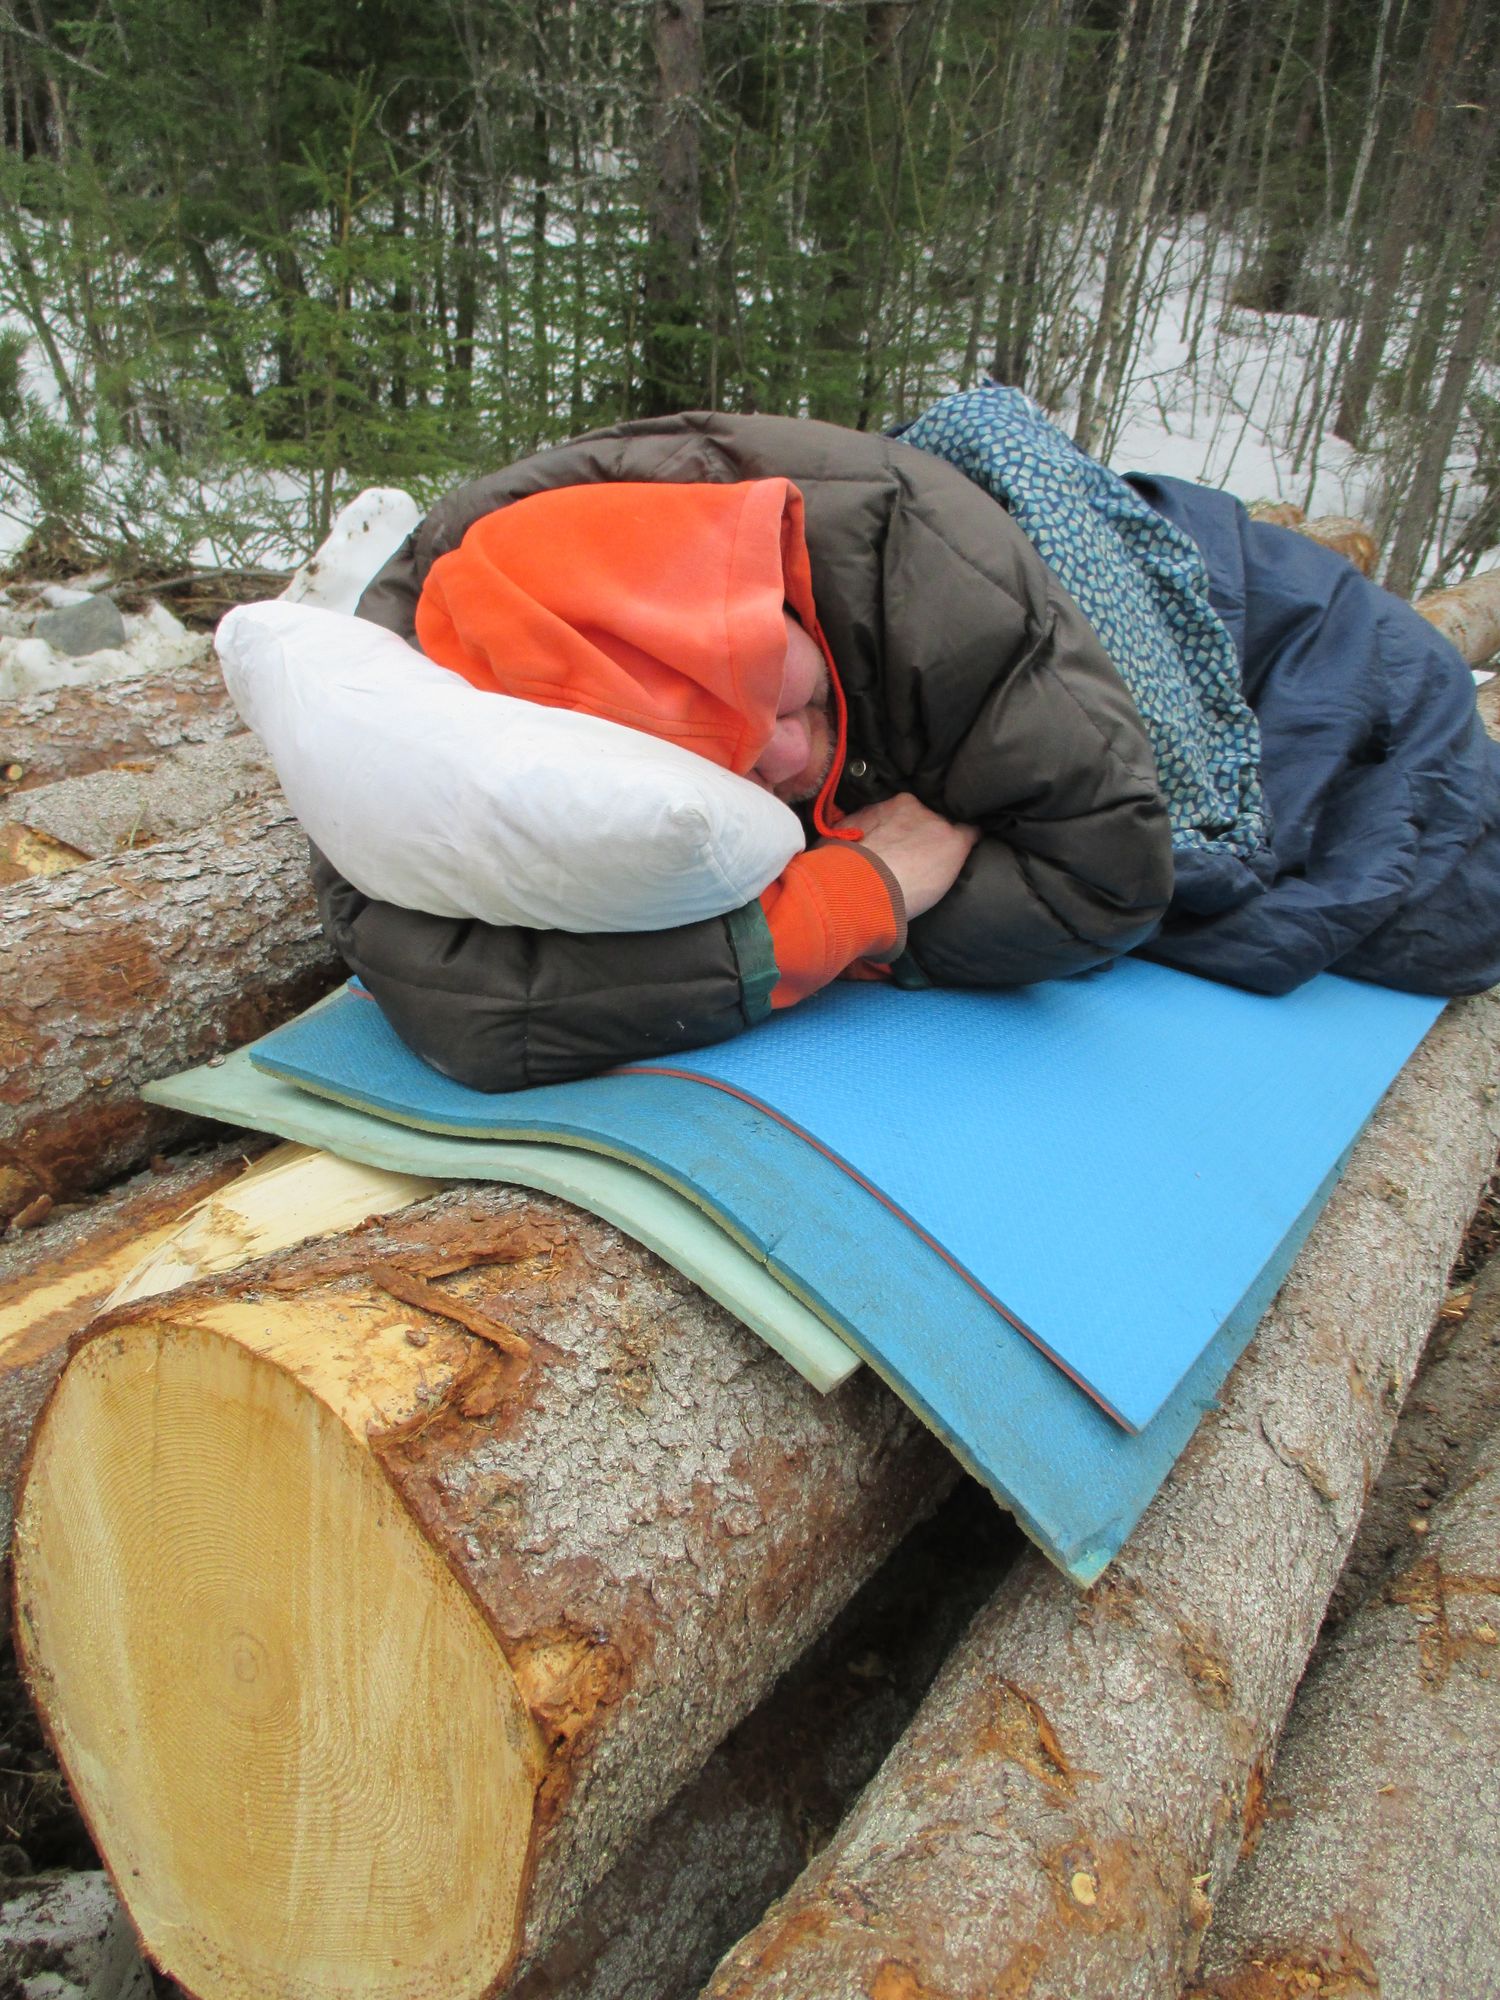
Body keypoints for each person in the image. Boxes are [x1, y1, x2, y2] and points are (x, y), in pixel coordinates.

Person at [314, 403, 1500, 1092]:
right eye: (738, 763)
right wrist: (855, 896)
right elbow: (468, 1000)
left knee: (1428, 868)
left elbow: (1107, 876)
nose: (790, 755)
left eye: (782, 687)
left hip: (1240, 612)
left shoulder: (906, 560)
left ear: (759, 569)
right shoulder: (421, 702)